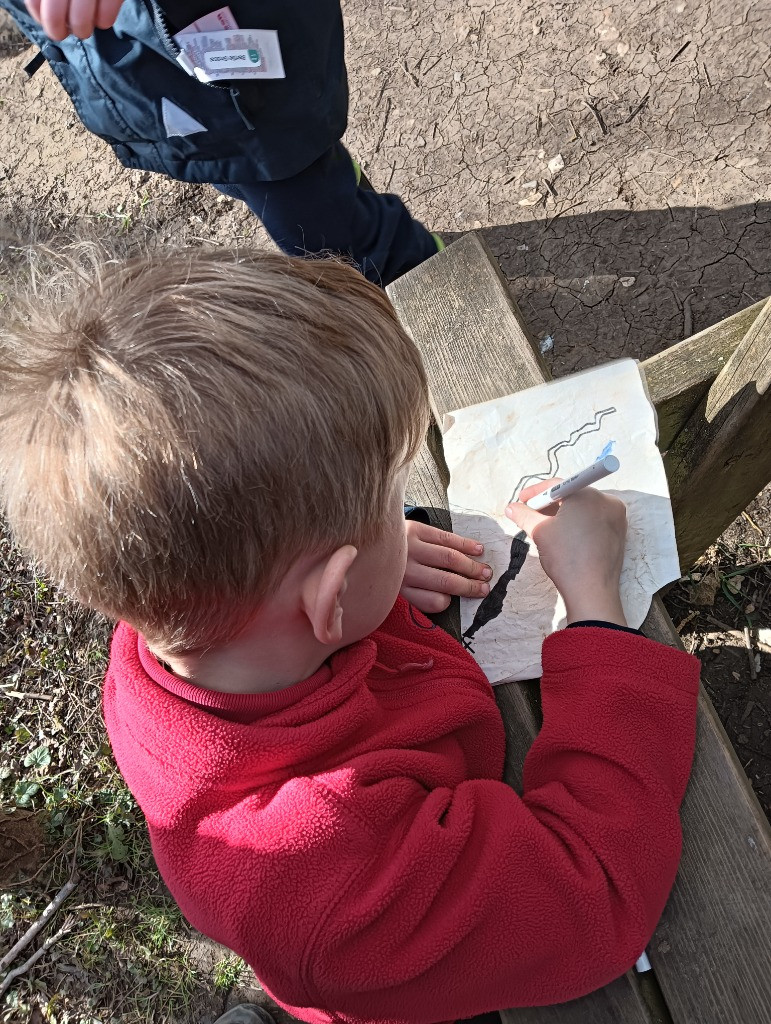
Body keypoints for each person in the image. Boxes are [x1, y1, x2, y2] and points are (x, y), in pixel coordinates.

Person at [0, 248, 700, 1024]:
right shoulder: (336, 888)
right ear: (326, 601)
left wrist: (369, 559)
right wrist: (595, 603)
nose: (402, 517)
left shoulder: (179, 622)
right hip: (400, 967)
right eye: (388, 504)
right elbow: (595, 895)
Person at [1, 0, 442, 286]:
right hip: (175, 84)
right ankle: (343, 194)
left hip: (237, 69)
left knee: (328, 235)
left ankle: (428, 295)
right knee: (263, 177)